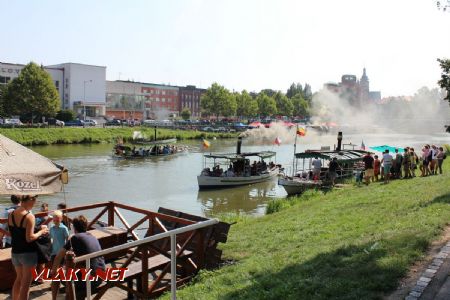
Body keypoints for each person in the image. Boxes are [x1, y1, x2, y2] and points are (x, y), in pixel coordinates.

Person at [51, 215, 105, 300]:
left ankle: (54, 298)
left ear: (74, 228)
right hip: (101, 276)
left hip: (89, 281)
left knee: (57, 274)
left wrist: (53, 271)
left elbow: (58, 257)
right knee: (70, 270)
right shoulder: (92, 236)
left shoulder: (75, 238)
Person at [8, 195, 49, 300]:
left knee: (18, 279)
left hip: (15, 252)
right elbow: (29, 238)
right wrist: (41, 231)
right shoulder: (29, 216)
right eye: (34, 202)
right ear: (30, 201)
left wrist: (38, 227)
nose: (34, 205)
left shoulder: (11, 214)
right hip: (28, 254)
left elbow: (16, 231)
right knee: (26, 285)